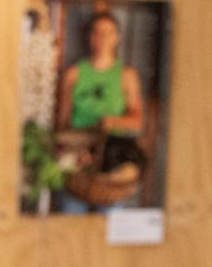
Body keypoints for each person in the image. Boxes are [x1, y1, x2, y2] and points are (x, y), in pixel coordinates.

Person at [56, 12, 146, 213]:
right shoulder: (73, 74)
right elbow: (63, 121)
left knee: (108, 227)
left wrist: (111, 122)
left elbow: (137, 120)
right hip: (79, 158)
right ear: (90, 37)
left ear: (117, 38)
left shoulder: (126, 75)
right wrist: (70, 150)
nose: (103, 38)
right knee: (71, 218)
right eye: (98, 33)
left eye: (109, 33)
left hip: (112, 159)